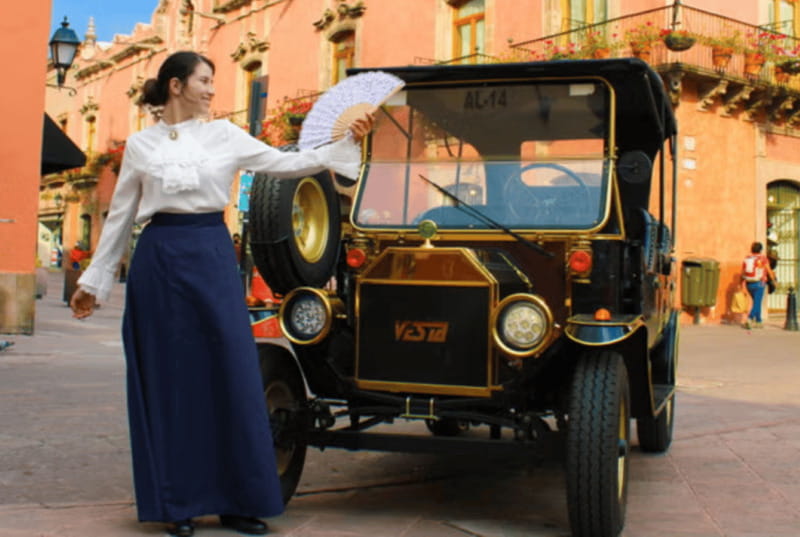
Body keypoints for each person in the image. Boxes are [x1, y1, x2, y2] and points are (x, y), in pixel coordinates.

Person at [69, 51, 373, 537]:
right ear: (176, 85)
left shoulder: (226, 135)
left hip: (211, 256)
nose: (213, 89)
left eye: (213, 81)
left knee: (232, 373)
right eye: (205, 80)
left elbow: (287, 163)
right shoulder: (141, 146)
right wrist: (93, 282)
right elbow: (121, 215)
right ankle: (178, 503)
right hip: (159, 262)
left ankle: (239, 501)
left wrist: (343, 142)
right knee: (170, 381)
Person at [741, 241, 777, 329]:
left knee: (756, 302)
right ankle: (749, 318)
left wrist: (742, 285)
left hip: (749, 284)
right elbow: (768, 270)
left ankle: (759, 321)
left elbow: (742, 273)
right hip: (759, 283)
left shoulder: (747, 258)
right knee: (757, 303)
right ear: (760, 250)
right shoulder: (763, 259)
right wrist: (773, 281)